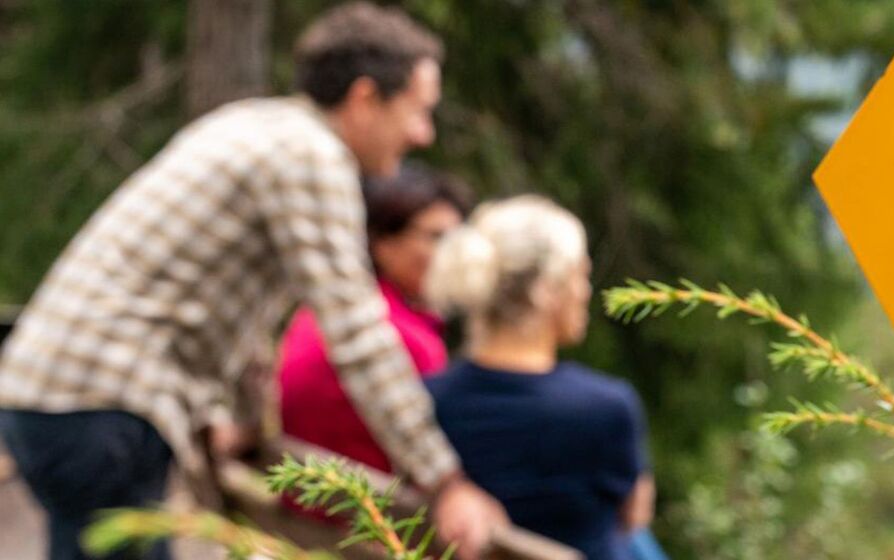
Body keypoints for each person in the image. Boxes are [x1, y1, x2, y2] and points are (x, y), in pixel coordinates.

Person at [0, 3, 504, 559]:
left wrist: (239, 419)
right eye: (417, 110)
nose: (423, 134)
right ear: (365, 98)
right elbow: (357, 334)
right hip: (101, 410)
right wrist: (445, 481)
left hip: (50, 396)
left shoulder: (257, 126)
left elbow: (228, 303)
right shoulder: (311, 158)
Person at [424, 196, 656, 560]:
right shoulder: (607, 407)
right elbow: (635, 515)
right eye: (581, 275)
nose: (586, 292)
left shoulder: (428, 399)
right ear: (548, 290)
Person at [280, 162, 470, 475]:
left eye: (456, 239)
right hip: (364, 517)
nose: (452, 254)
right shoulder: (404, 338)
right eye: (436, 237)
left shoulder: (326, 310)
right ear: (383, 242)